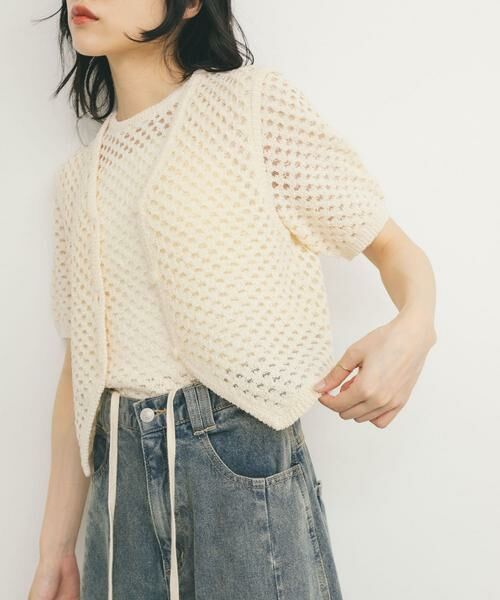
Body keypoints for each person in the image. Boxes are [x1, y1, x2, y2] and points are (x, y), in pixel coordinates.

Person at [29, 1, 437, 599]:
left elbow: (393, 248)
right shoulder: (75, 181)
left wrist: (416, 325)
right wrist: (55, 549)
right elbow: (80, 372)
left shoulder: (251, 108)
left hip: (237, 470)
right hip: (117, 501)